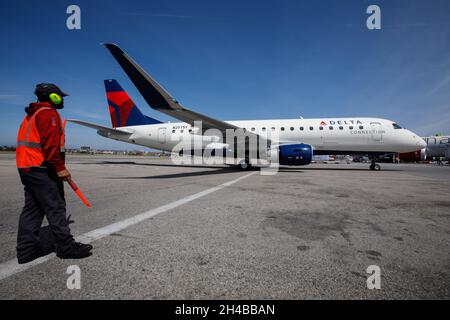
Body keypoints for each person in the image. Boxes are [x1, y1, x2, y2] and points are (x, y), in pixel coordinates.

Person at [15, 83, 93, 264]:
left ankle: (26, 251)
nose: (62, 100)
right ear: (53, 97)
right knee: (56, 207)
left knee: (32, 210)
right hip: (42, 168)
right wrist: (60, 168)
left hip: (27, 167)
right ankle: (66, 246)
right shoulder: (48, 114)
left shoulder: (31, 114)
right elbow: (50, 146)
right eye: (60, 97)